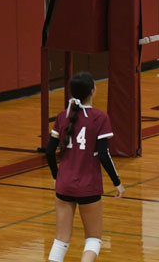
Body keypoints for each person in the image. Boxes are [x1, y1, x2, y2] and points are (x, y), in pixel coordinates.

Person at [46, 72, 125, 262]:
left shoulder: (62, 116)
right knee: (93, 239)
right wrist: (117, 182)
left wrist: (57, 177)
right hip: (88, 185)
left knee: (61, 240)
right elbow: (104, 155)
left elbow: (49, 152)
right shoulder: (99, 117)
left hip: (64, 184)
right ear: (93, 91)